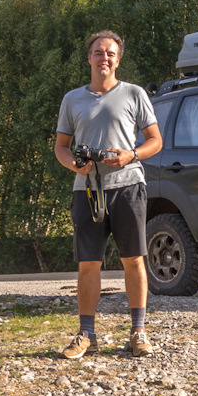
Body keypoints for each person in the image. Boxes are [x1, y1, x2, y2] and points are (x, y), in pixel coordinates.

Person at [54, 30, 163, 359]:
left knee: (133, 260)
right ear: (89, 58)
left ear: (118, 59)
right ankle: (86, 334)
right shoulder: (72, 99)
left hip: (128, 186)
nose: (104, 58)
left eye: (110, 53)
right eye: (98, 52)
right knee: (88, 264)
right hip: (87, 190)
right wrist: (74, 164)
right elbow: (60, 147)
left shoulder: (134, 94)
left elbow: (155, 141)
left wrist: (131, 155)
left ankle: (138, 332)